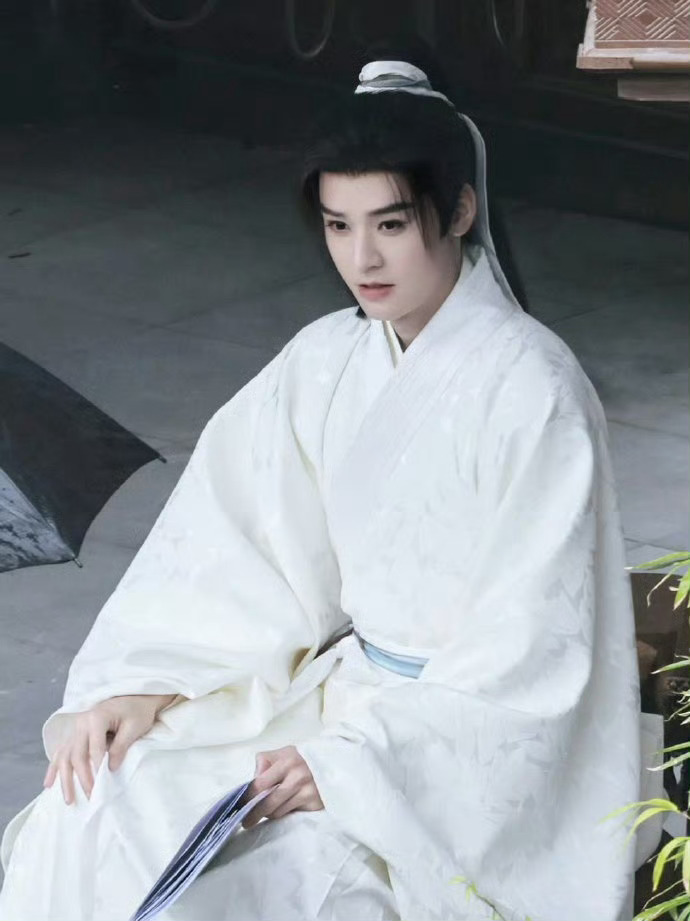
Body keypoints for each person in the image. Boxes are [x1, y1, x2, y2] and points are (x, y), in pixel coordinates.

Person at [0, 59, 642, 921]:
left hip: (442, 759)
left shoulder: (536, 390)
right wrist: (144, 684)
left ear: (459, 210)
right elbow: (236, 546)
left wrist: (353, 764)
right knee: (93, 807)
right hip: (334, 703)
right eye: (339, 226)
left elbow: (531, 652)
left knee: (270, 882)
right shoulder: (326, 361)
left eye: (390, 223)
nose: (362, 258)